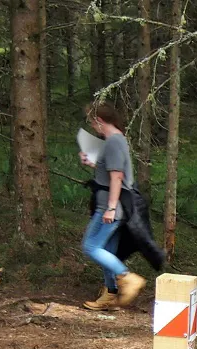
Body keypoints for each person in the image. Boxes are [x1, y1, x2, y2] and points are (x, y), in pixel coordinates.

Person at [79, 103, 147, 311]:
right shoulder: (114, 141)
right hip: (114, 206)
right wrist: (93, 163)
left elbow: (117, 177)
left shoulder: (114, 142)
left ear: (99, 121)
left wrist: (109, 208)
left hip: (111, 207)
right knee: (107, 250)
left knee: (91, 246)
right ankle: (110, 293)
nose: (92, 126)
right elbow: (111, 171)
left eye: (92, 122)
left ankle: (127, 277)